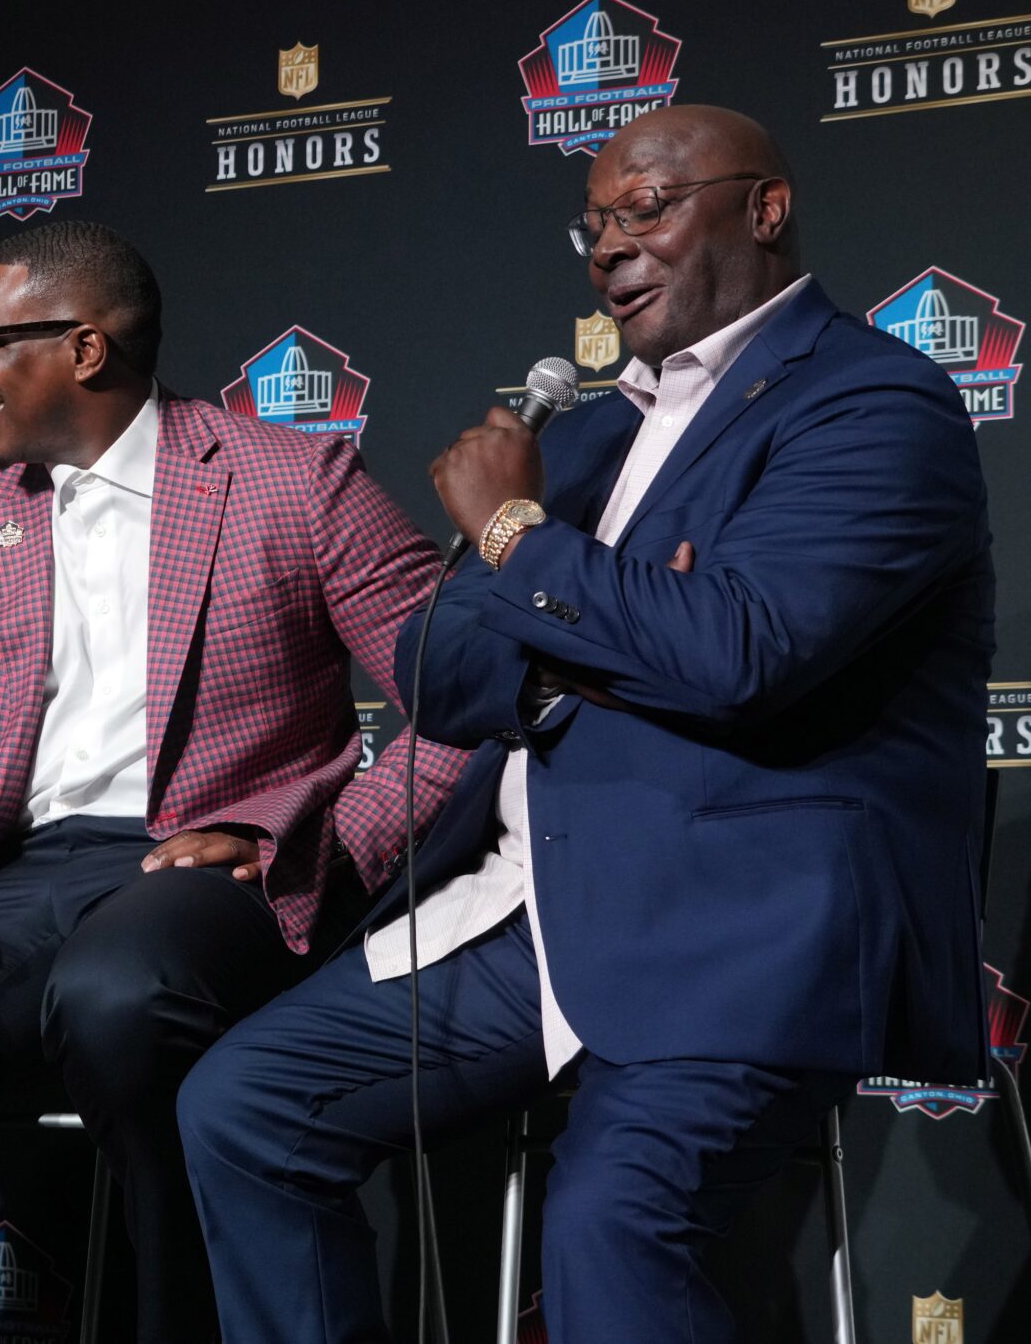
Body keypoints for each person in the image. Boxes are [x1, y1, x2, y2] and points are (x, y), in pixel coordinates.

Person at [177, 104, 995, 1344]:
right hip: (530, 912)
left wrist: (517, 540)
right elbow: (437, 672)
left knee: (610, 1222)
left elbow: (735, 654)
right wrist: (599, 641)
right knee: (242, 1106)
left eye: (647, 209)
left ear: (763, 209)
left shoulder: (874, 402)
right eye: (595, 224)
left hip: (735, 926)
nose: (609, 246)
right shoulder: (591, 431)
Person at [0, 220, 468, 1342]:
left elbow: (468, 692)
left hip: (213, 875)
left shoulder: (290, 480)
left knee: (116, 992)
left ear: (86, 349)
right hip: (15, 893)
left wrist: (317, 842)